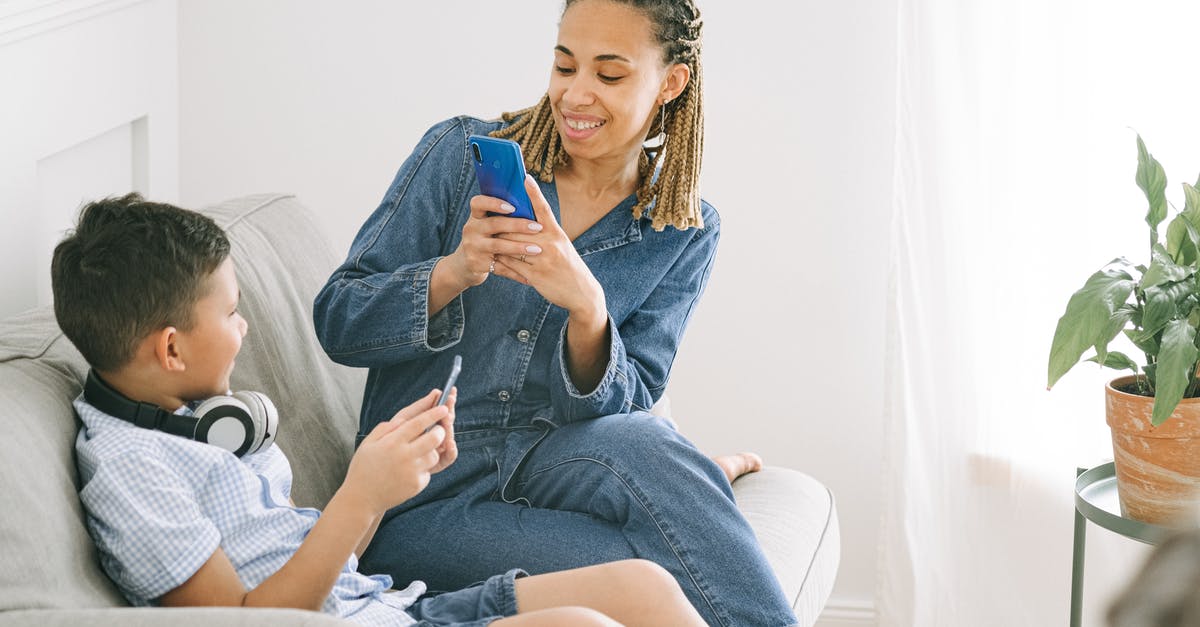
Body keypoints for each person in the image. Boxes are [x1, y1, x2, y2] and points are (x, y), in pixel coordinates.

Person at [312, 1, 796, 625]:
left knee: (652, 450)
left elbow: (630, 406)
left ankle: (690, 490)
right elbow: (339, 320)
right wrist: (452, 271)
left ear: (670, 83)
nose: (576, 94)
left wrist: (588, 308)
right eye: (565, 65)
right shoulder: (459, 155)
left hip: (559, 465)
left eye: (610, 74)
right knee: (671, 565)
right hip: (428, 496)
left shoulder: (680, 230)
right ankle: (696, 492)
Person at [53, 194, 707, 626]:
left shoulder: (199, 415)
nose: (243, 327)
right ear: (170, 348)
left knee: (643, 586)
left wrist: (391, 474)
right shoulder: (133, 472)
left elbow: (318, 563)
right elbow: (250, 620)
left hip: (387, 607)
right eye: (229, 313)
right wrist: (361, 497)